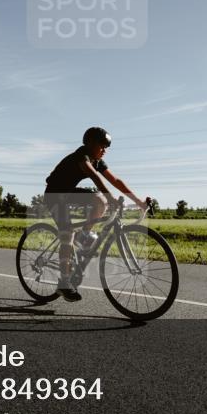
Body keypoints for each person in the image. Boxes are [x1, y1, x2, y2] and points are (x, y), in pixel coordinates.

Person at [43, 127, 149, 302]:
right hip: (54, 195)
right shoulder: (82, 155)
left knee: (100, 200)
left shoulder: (97, 160)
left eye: (107, 147)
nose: (105, 150)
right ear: (90, 144)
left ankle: (84, 234)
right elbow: (94, 176)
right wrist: (112, 198)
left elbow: (116, 180)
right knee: (67, 234)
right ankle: (64, 283)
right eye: (102, 146)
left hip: (69, 192)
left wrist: (139, 202)